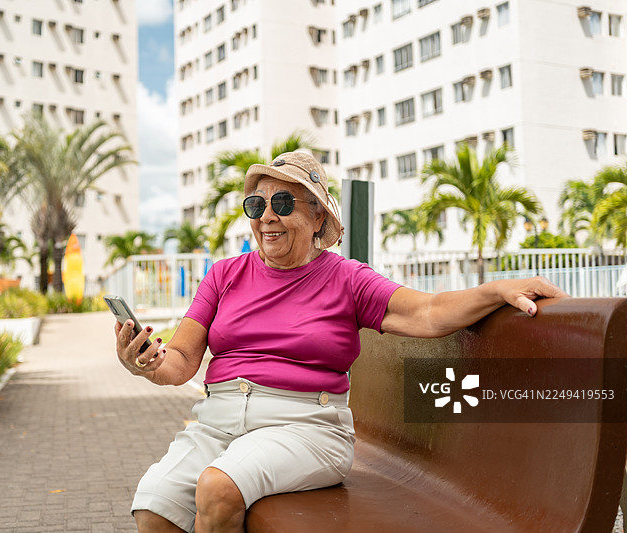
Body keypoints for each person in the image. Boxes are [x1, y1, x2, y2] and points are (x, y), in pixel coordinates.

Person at [114, 151, 567, 533]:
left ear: (317, 216)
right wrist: (146, 362)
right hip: (219, 425)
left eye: (284, 202)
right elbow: (180, 362)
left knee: (217, 487)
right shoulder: (224, 275)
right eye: (257, 205)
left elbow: (427, 312)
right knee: (154, 504)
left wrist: (495, 290)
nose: (268, 216)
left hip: (307, 428)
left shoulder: (346, 278)